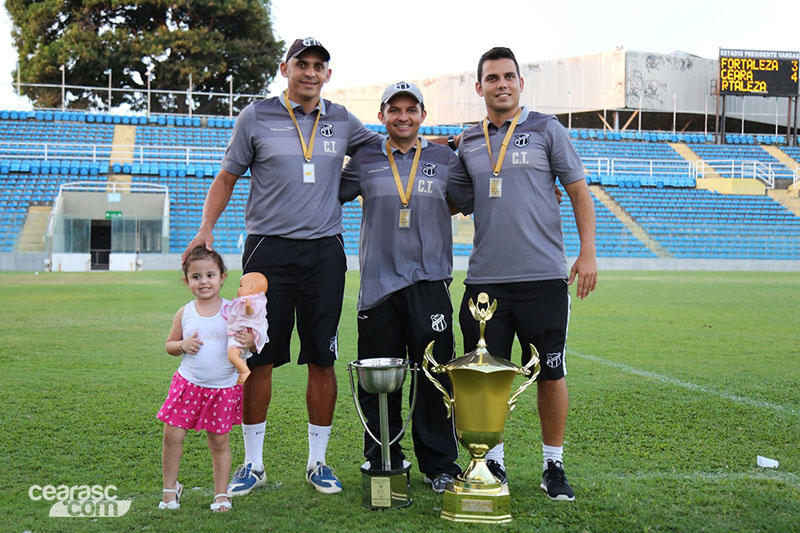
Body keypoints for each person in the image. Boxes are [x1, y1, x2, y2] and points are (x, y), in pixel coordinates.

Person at [182, 37, 382, 496]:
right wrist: (206, 228)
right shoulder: (255, 116)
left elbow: (391, 146)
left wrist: (453, 145)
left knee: (323, 359)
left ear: (328, 74)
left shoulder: (342, 119)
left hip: (324, 252)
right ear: (284, 68)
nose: (310, 72)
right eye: (302, 64)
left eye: (318, 66)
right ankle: (252, 464)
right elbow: (227, 176)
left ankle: (318, 462)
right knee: (258, 357)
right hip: (267, 253)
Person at [449, 47, 597, 502]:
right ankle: (492, 462)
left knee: (551, 373)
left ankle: (553, 465)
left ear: (520, 83)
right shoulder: (468, 141)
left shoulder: (547, 129)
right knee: (485, 378)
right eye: (493, 78)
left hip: (543, 278)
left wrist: (587, 253)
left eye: (509, 76)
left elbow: (578, 191)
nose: (502, 84)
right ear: (480, 87)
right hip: (486, 282)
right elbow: (453, 199)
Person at [340, 81, 471, 492]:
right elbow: (328, 193)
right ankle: (385, 459)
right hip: (377, 286)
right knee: (380, 381)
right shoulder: (364, 159)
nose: (403, 117)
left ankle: (439, 465)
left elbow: (473, 197)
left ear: (422, 115)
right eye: (394, 109)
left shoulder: (443, 158)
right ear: (381, 115)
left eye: (410, 109)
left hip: (429, 282)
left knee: (434, 377)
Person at [157, 246, 254, 512]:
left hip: (223, 389)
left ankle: (221, 494)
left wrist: (250, 341)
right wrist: (182, 345)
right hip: (188, 385)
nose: (204, 282)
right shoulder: (185, 312)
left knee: (219, 441)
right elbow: (169, 345)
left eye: (210, 275)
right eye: (196, 276)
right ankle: (170, 489)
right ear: (186, 281)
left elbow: (252, 345)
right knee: (172, 435)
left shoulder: (233, 311)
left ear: (222, 277)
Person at [223, 272, 269, 385]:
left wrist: (248, 308)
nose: (238, 289)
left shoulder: (252, 301)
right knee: (239, 356)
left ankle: (244, 371)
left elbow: (251, 313)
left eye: (241, 286)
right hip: (242, 333)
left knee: (232, 354)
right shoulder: (253, 300)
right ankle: (241, 370)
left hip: (241, 333)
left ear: (251, 288)